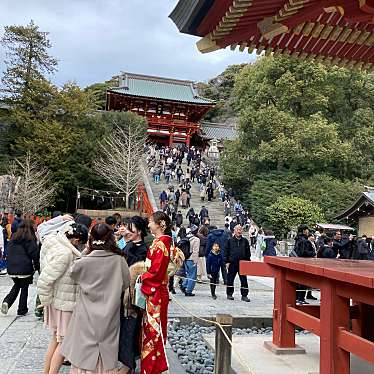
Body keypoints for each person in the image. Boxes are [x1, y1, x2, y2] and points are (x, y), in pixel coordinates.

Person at [60, 223, 131, 374]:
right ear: (110, 238)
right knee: (106, 351)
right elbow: (126, 282)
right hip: (110, 312)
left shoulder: (84, 262)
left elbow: (72, 273)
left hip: (86, 313)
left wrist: (86, 250)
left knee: (84, 354)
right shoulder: (119, 260)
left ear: (91, 239)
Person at [37, 220, 88, 374]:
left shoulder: (53, 241)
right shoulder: (65, 253)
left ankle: (46, 371)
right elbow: (45, 279)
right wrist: (46, 301)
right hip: (63, 302)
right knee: (64, 342)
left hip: (57, 299)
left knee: (56, 338)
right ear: (76, 240)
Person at [141, 211, 172, 374]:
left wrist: (142, 278)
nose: (148, 225)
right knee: (152, 330)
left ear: (160, 223)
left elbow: (156, 273)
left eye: (150, 222)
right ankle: (151, 367)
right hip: (156, 291)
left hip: (156, 292)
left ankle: (153, 368)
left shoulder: (161, 244)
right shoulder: (160, 242)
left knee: (154, 331)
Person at [1, 220, 39, 316]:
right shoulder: (30, 238)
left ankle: (7, 301)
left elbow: (7, 251)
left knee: (17, 285)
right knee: (24, 287)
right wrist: (38, 267)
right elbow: (34, 254)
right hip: (24, 268)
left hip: (11, 267)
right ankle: (22, 309)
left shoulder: (14, 237)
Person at [224, 225, 251, 302]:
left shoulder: (245, 241)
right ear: (234, 231)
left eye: (240, 230)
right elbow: (226, 251)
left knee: (243, 280)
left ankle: (244, 295)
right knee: (230, 279)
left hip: (242, 263)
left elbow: (248, 252)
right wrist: (227, 261)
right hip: (232, 263)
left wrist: (248, 262)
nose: (239, 231)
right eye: (237, 230)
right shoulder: (230, 240)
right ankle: (229, 294)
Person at [294, 225, 316, 305]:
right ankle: (301, 298)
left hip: (297, 261)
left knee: (297, 281)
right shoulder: (304, 240)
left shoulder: (298, 239)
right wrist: (313, 253)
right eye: (307, 230)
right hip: (303, 262)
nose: (308, 232)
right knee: (303, 282)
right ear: (304, 231)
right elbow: (304, 252)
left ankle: (297, 297)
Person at [182, 225, 200, 296]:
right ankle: (188, 290)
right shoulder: (196, 239)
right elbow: (195, 251)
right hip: (192, 259)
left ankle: (184, 285)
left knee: (189, 274)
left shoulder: (187, 238)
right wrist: (195, 261)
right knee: (193, 276)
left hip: (185, 258)